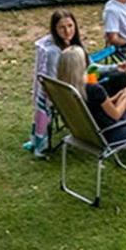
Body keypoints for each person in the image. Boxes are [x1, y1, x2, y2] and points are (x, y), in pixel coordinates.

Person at [27, 9, 86, 157]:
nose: (67, 31)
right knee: (105, 89)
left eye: (70, 26)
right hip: (64, 96)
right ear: (55, 29)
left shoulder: (73, 43)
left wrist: (114, 67)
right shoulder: (54, 52)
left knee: (115, 76)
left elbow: (89, 66)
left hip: (77, 85)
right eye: (62, 27)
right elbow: (54, 84)